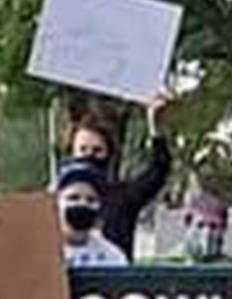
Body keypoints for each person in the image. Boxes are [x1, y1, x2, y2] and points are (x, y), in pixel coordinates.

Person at [68, 105, 171, 256]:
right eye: (82, 149)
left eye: (97, 150)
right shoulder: (55, 198)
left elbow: (158, 170)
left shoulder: (123, 197)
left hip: (113, 278)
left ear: (109, 154)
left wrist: (155, 127)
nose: (89, 156)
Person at [55, 160, 130, 267]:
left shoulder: (113, 257)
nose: (82, 203)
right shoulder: (40, 251)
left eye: (91, 200)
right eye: (73, 198)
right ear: (56, 203)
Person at [174, 188, 232, 264]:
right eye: (200, 225)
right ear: (188, 224)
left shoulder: (230, 268)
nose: (207, 232)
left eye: (213, 226)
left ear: (224, 228)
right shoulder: (169, 264)